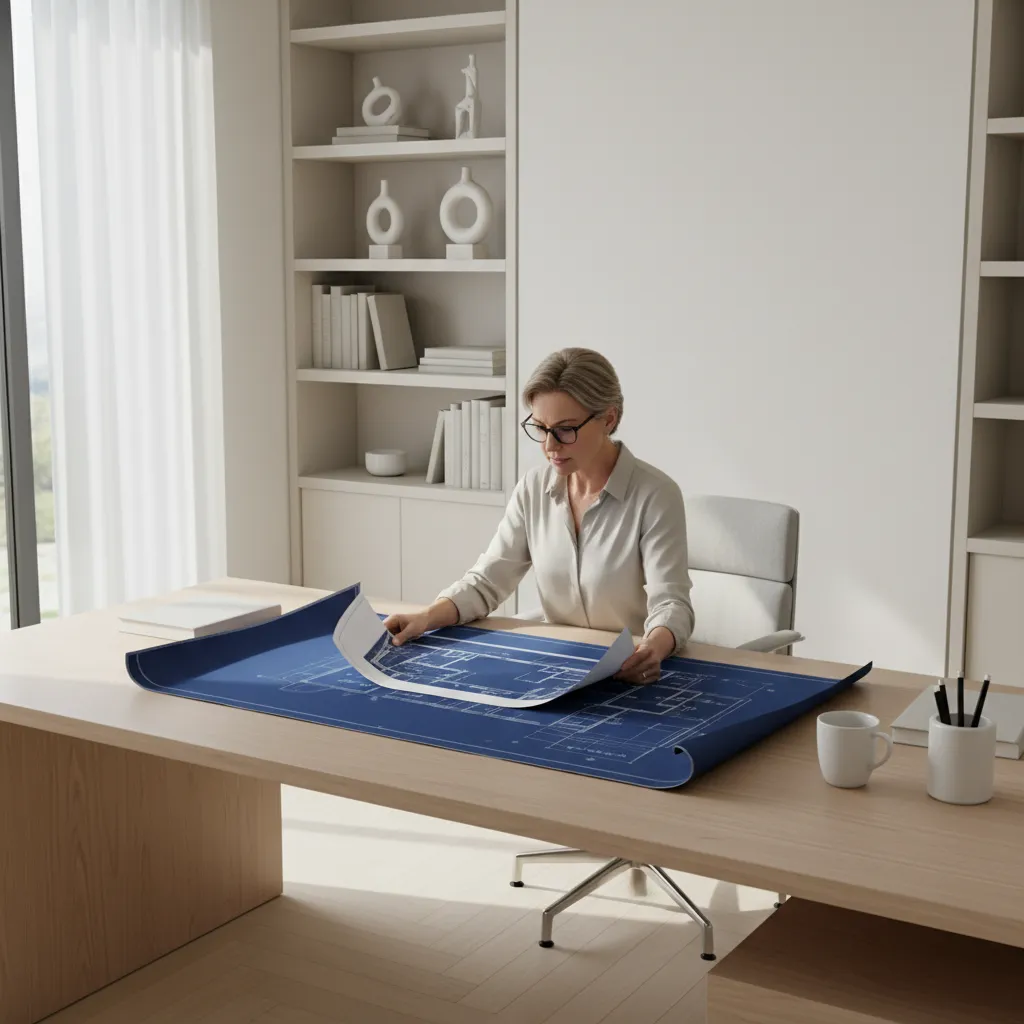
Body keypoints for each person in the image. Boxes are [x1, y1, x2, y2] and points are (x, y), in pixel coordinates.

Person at [382, 347, 695, 683]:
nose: (549, 446)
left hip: (632, 673)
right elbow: (488, 581)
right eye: (541, 428)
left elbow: (672, 605)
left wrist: (653, 647)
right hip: (558, 671)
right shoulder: (534, 487)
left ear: (609, 419)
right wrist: (426, 618)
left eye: (565, 429)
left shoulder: (656, 495)